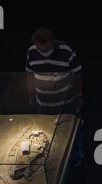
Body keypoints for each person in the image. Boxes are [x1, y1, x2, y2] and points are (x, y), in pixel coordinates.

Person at [26, 27, 84, 166]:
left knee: (71, 129)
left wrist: (79, 95)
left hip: (66, 102)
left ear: (51, 43)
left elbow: (77, 73)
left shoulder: (65, 51)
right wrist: (31, 95)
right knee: (46, 130)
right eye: (39, 50)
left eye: (45, 50)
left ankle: (76, 155)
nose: (42, 53)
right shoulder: (32, 51)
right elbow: (29, 73)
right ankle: (52, 155)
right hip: (43, 103)